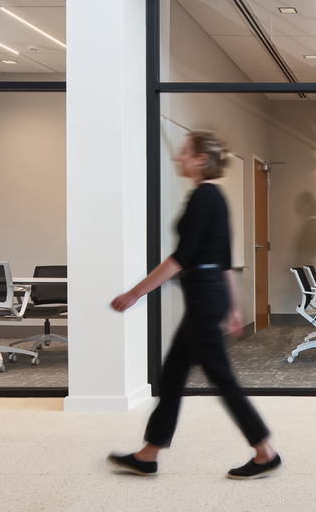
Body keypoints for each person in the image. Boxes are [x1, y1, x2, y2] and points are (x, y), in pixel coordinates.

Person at [107, 130, 281, 479]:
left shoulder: (204, 197)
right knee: (172, 374)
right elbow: (224, 260)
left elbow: (180, 258)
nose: (177, 158)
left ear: (201, 159)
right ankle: (149, 453)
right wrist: (231, 307)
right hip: (208, 295)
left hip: (203, 297)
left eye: (183, 152)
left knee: (220, 376)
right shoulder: (215, 197)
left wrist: (135, 293)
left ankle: (265, 451)